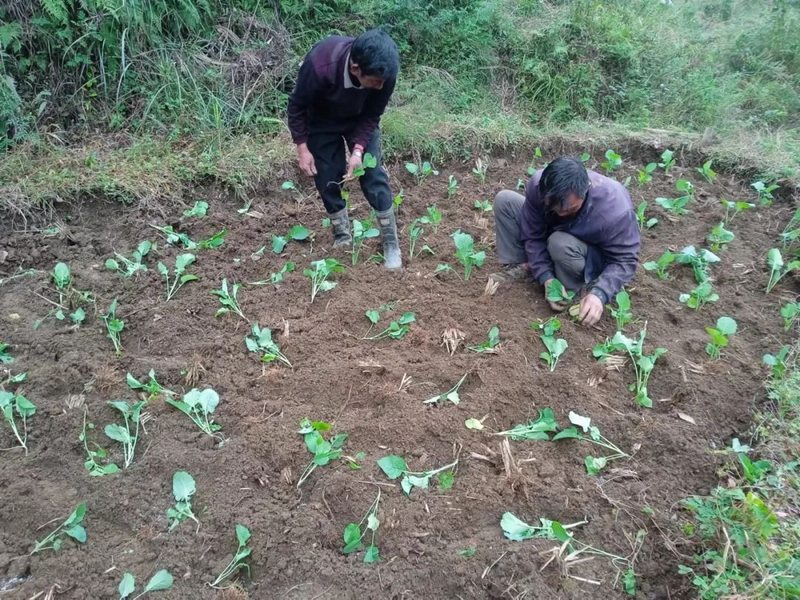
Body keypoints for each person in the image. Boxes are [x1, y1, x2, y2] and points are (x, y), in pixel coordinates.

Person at [287, 29, 402, 271]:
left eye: (384, 82)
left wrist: (358, 150)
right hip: (321, 122)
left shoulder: (385, 72)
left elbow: (373, 114)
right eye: (375, 82)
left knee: (373, 175)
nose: (381, 87)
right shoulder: (320, 65)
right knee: (328, 175)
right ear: (355, 69)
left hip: (359, 119)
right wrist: (302, 147)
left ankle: (391, 242)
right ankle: (342, 234)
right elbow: (297, 105)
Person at [492, 156, 640, 326]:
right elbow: (533, 235)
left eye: (570, 209)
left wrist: (600, 293)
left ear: (585, 192)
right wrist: (546, 277)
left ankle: (573, 289)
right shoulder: (538, 186)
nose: (561, 213)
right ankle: (529, 267)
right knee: (505, 201)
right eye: (554, 207)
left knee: (559, 242)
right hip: (557, 235)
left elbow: (626, 260)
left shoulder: (615, 210)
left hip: (587, 255)